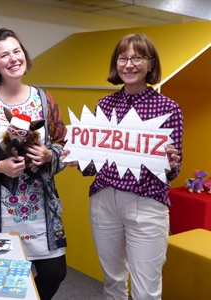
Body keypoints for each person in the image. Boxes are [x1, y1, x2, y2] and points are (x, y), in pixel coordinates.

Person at [61, 33, 184, 300]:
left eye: (137, 57)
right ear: (116, 63)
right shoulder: (105, 105)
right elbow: (95, 164)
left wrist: (170, 163)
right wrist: (79, 160)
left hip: (147, 204)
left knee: (146, 290)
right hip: (104, 202)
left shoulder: (168, 108)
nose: (129, 64)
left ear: (151, 64)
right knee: (113, 282)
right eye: (123, 57)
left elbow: (172, 171)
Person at [0, 28, 67, 300]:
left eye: (16, 51)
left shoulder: (45, 100)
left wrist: (48, 156)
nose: (13, 58)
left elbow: (63, 145)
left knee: (55, 273)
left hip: (41, 212)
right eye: (4, 55)